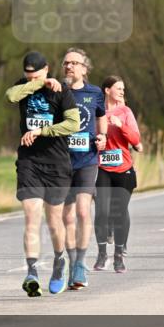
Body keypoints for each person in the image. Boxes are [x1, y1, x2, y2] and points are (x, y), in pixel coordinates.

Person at [5, 52, 80, 297]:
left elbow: (73, 124)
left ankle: (59, 263)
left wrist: (41, 132)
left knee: (54, 222)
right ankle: (32, 273)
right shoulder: (24, 87)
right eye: (28, 75)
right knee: (31, 216)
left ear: (46, 69)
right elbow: (11, 96)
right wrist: (38, 83)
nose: (30, 79)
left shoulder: (62, 92)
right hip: (30, 162)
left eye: (35, 75)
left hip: (56, 164)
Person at [59, 48, 107, 291]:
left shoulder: (94, 92)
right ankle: (71, 262)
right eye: (66, 63)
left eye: (74, 63)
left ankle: (80, 263)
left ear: (84, 69)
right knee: (66, 216)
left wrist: (103, 136)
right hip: (61, 161)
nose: (69, 67)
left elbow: (101, 116)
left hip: (87, 160)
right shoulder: (57, 91)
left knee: (83, 211)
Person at [94, 75, 142, 274]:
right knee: (102, 211)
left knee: (119, 212)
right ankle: (102, 254)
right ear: (107, 90)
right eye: (118, 88)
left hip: (123, 168)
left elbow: (136, 139)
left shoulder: (125, 111)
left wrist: (121, 125)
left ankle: (119, 256)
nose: (122, 91)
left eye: (123, 88)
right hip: (102, 167)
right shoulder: (97, 111)